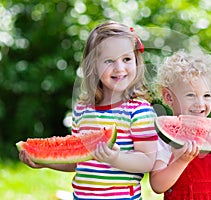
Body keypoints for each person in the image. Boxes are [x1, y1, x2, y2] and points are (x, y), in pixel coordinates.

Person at [19, 21, 158, 200]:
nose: (119, 68)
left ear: (137, 61)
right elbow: (76, 160)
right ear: (93, 66)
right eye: (109, 61)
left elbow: (147, 161)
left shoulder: (139, 111)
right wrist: (45, 161)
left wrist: (115, 159)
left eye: (127, 59)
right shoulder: (82, 110)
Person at [149, 50, 211, 199]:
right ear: (169, 97)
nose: (200, 103)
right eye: (191, 95)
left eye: (207, 95)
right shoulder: (165, 137)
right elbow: (157, 185)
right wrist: (181, 161)